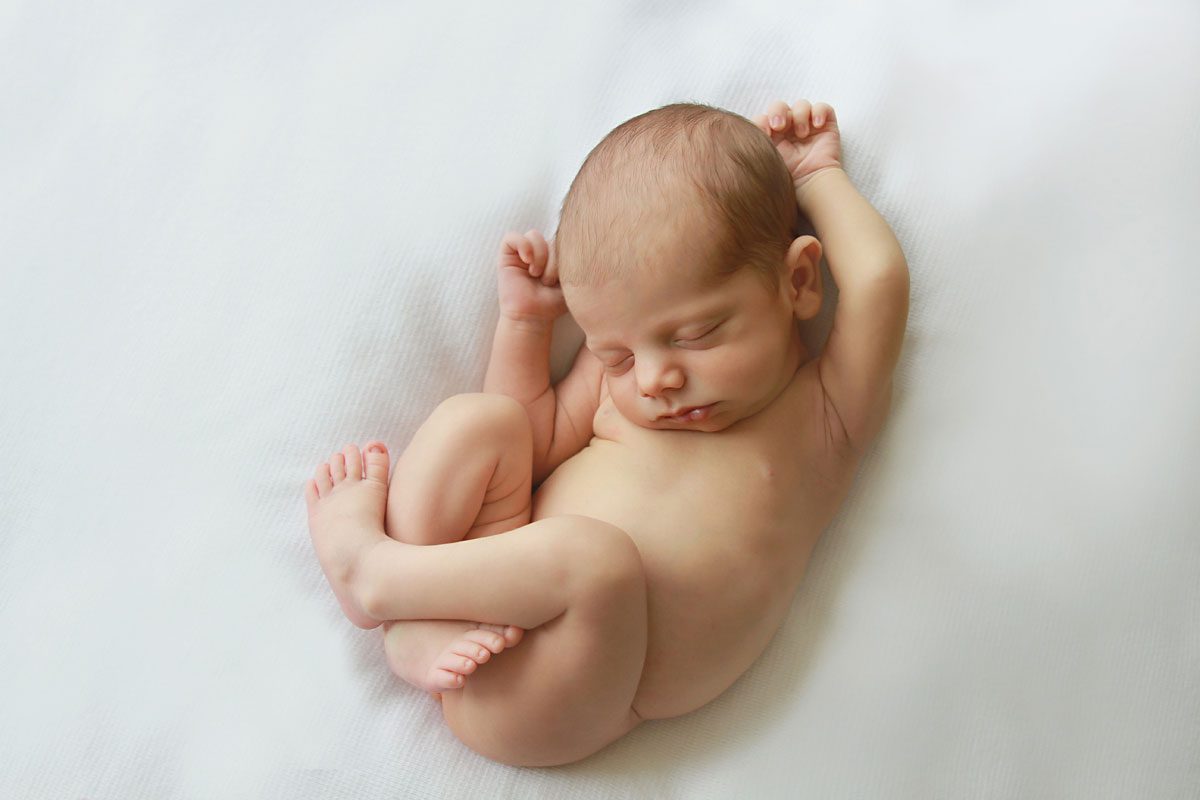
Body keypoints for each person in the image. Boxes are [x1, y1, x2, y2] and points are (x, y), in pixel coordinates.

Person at [304, 99, 909, 766]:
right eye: (617, 355)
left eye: (694, 335)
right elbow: (529, 441)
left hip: (573, 690)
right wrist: (528, 328)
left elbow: (878, 280)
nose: (654, 379)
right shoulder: (618, 388)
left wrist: (817, 176)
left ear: (797, 282)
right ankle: (413, 610)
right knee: (480, 421)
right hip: (489, 599)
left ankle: (377, 573)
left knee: (600, 564)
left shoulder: (825, 415)